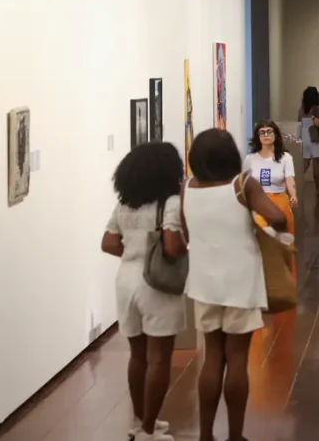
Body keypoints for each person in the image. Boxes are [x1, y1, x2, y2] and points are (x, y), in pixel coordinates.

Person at [180, 129, 288, 441]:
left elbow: (186, 233)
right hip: (241, 282)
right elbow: (278, 218)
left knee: (213, 355)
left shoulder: (187, 188)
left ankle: (205, 435)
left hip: (204, 283)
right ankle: (235, 436)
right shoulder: (243, 185)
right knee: (237, 358)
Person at [101, 142, 186, 441]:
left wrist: (135, 252)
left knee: (137, 356)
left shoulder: (125, 204)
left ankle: (139, 423)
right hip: (157, 284)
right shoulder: (170, 203)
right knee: (159, 358)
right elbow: (172, 247)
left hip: (125, 279)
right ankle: (148, 430)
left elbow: (108, 243)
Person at [244, 120, 298, 235]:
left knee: (284, 235)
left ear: (276, 135)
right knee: (261, 231)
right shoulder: (250, 159)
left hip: (279, 201)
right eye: (262, 132)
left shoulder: (285, 157)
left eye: (269, 131)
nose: (266, 135)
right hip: (258, 202)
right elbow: (244, 182)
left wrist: (293, 195)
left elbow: (289, 179)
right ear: (258, 137)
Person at [298, 87, 319, 196]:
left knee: (304, 164)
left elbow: (299, 124)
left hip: (304, 138)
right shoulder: (317, 109)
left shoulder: (301, 110)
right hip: (315, 139)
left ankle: (293, 186)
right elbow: (318, 124)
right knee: (316, 165)